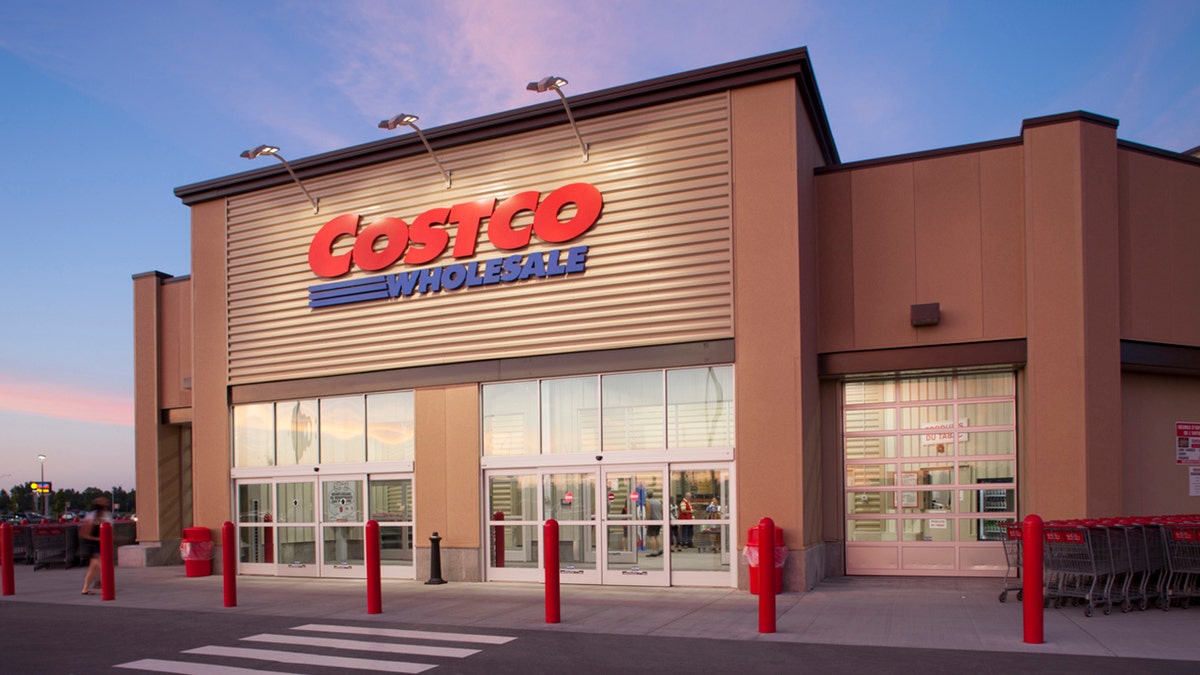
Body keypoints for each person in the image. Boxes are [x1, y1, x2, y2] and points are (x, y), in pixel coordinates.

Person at [79, 497, 113, 595]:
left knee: (93, 568)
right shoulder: (92, 516)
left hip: (100, 544)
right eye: (102, 501)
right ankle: (106, 587)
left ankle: (85, 588)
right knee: (102, 565)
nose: (105, 502)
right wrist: (98, 539)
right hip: (91, 545)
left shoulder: (106, 515)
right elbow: (84, 533)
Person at [644, 489, 663, 556]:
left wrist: (647, 522)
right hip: (659, 520)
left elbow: (648, 513)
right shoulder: (658, 501)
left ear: (647, 495)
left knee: (651, 536)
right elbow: (662, 510)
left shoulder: (648, 502)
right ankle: (660, 549)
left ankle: (654, 551)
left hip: (652, 520)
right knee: (657, 535)